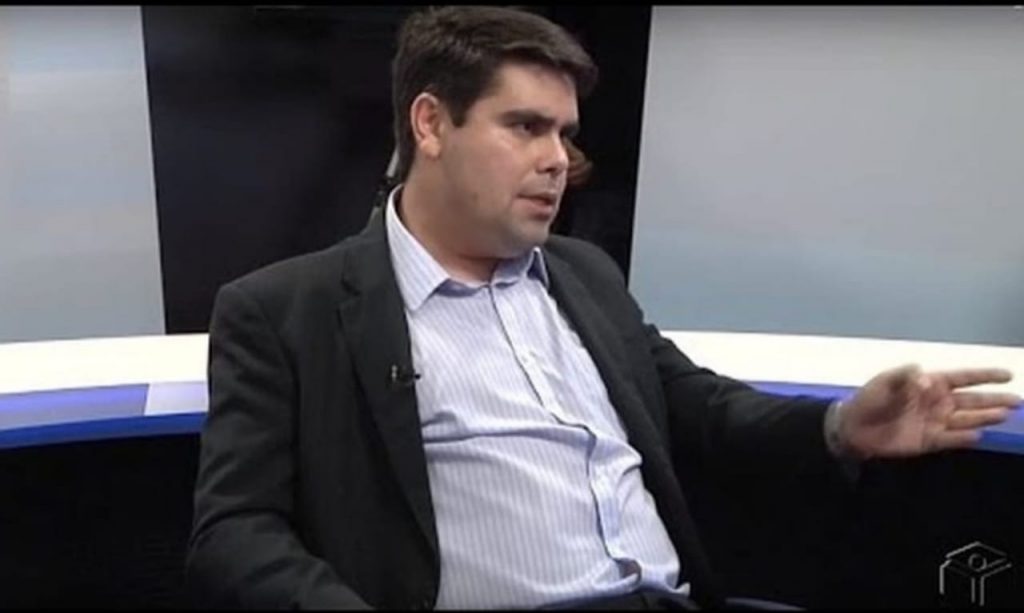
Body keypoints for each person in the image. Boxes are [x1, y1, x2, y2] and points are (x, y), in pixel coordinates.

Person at [185, 6, 1020, 610]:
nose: (559, 160)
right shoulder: (286, 310)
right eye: (526, 127)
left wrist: (842, 425)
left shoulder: (583, 274)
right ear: (431, 124)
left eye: (565, 133)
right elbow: (234, 533)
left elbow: (701, 407)